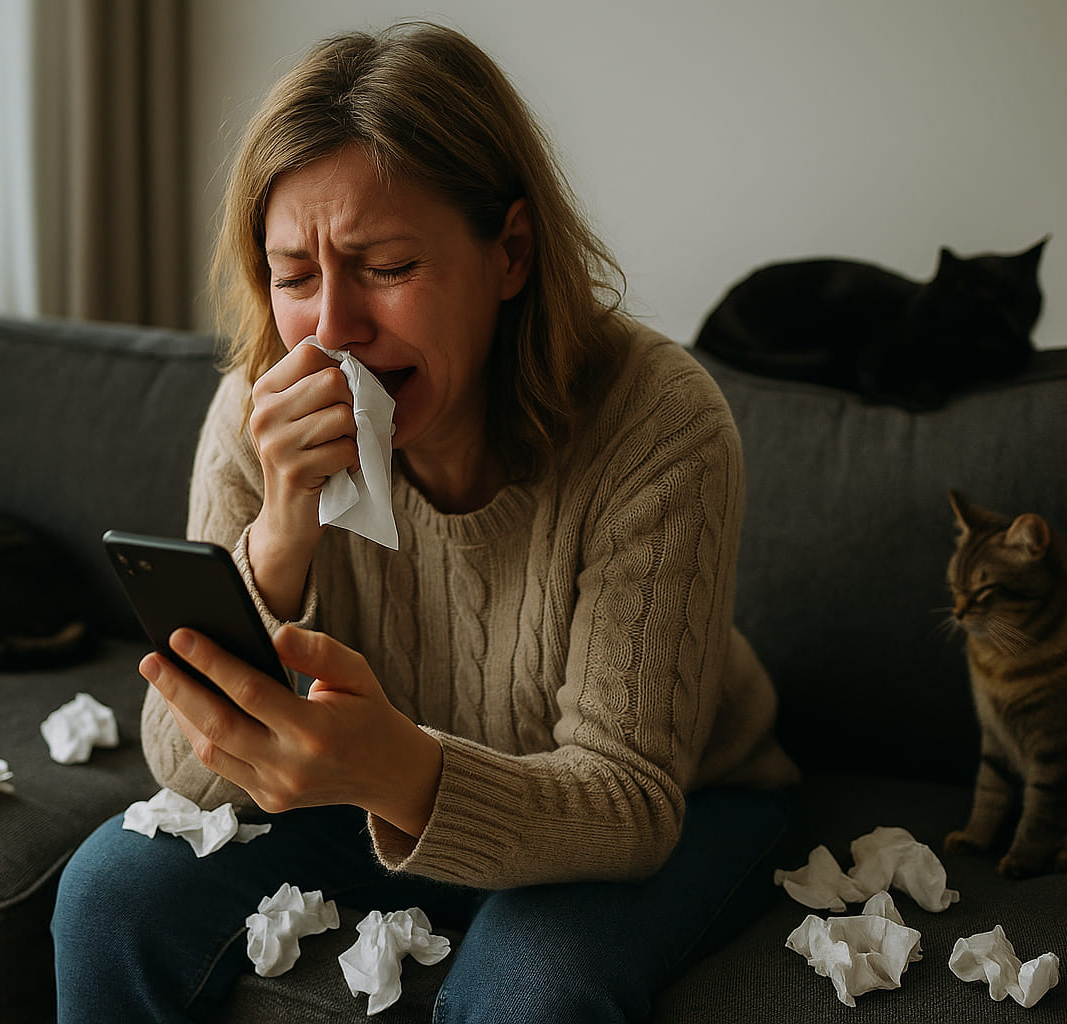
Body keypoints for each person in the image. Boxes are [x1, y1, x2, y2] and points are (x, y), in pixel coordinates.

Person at [52, 21, 799, 1023]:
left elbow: (627, 799)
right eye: (295, 274)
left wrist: (395, 765)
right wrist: (278, 538)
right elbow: (185, 768)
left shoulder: (658, 421)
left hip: (679, 798)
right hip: (364, 788)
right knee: (108, 890)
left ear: (512, 253)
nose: (330, 331)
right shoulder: (255, 411)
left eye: (386, 265)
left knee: (529, 995)